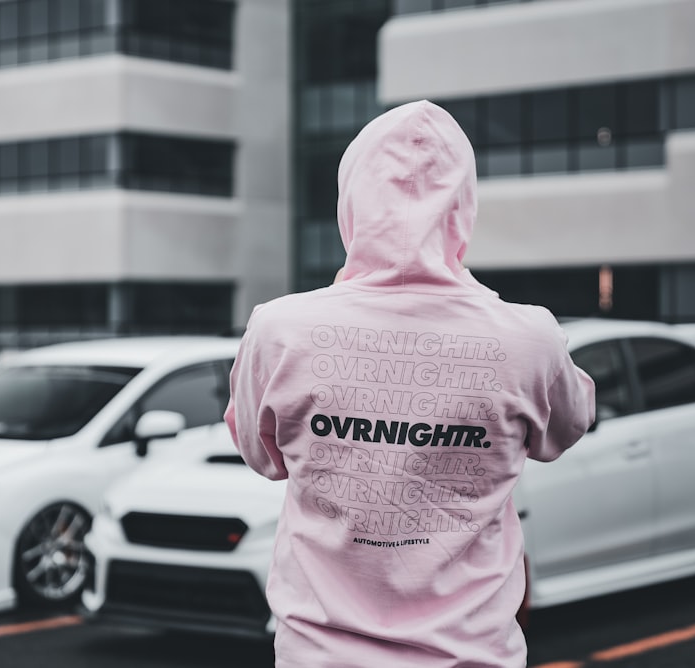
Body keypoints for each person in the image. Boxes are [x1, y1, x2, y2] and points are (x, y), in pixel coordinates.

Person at [224, 100, 596, 668]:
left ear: (352, 202)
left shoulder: (280, 329)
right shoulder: (529, 336)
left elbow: (264, 457)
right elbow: (566, 428)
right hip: (474, 655)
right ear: (462, 207)